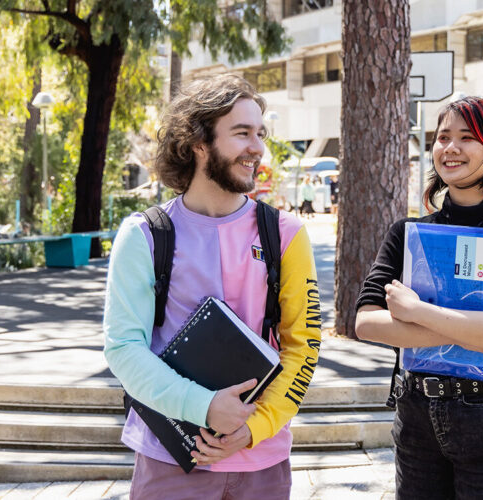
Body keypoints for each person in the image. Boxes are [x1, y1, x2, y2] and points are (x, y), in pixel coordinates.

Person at [103, 74, 321, 499]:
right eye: (242, 133)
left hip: (263, 462)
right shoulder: (144, 235)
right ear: (198, 142)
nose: (257, 148)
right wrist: (202, 407)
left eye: (260, 133)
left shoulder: (287, 234)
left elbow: (303, 347)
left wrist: (253, 428)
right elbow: (124, 348)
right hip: (170, 460)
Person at [355, 96, 483, 499]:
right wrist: (476, 332)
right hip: (415, 413)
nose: (450, 147)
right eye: (443, 137)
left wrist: (418, 313)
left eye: (467, 137)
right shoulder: (406, 234)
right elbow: (366, 322)